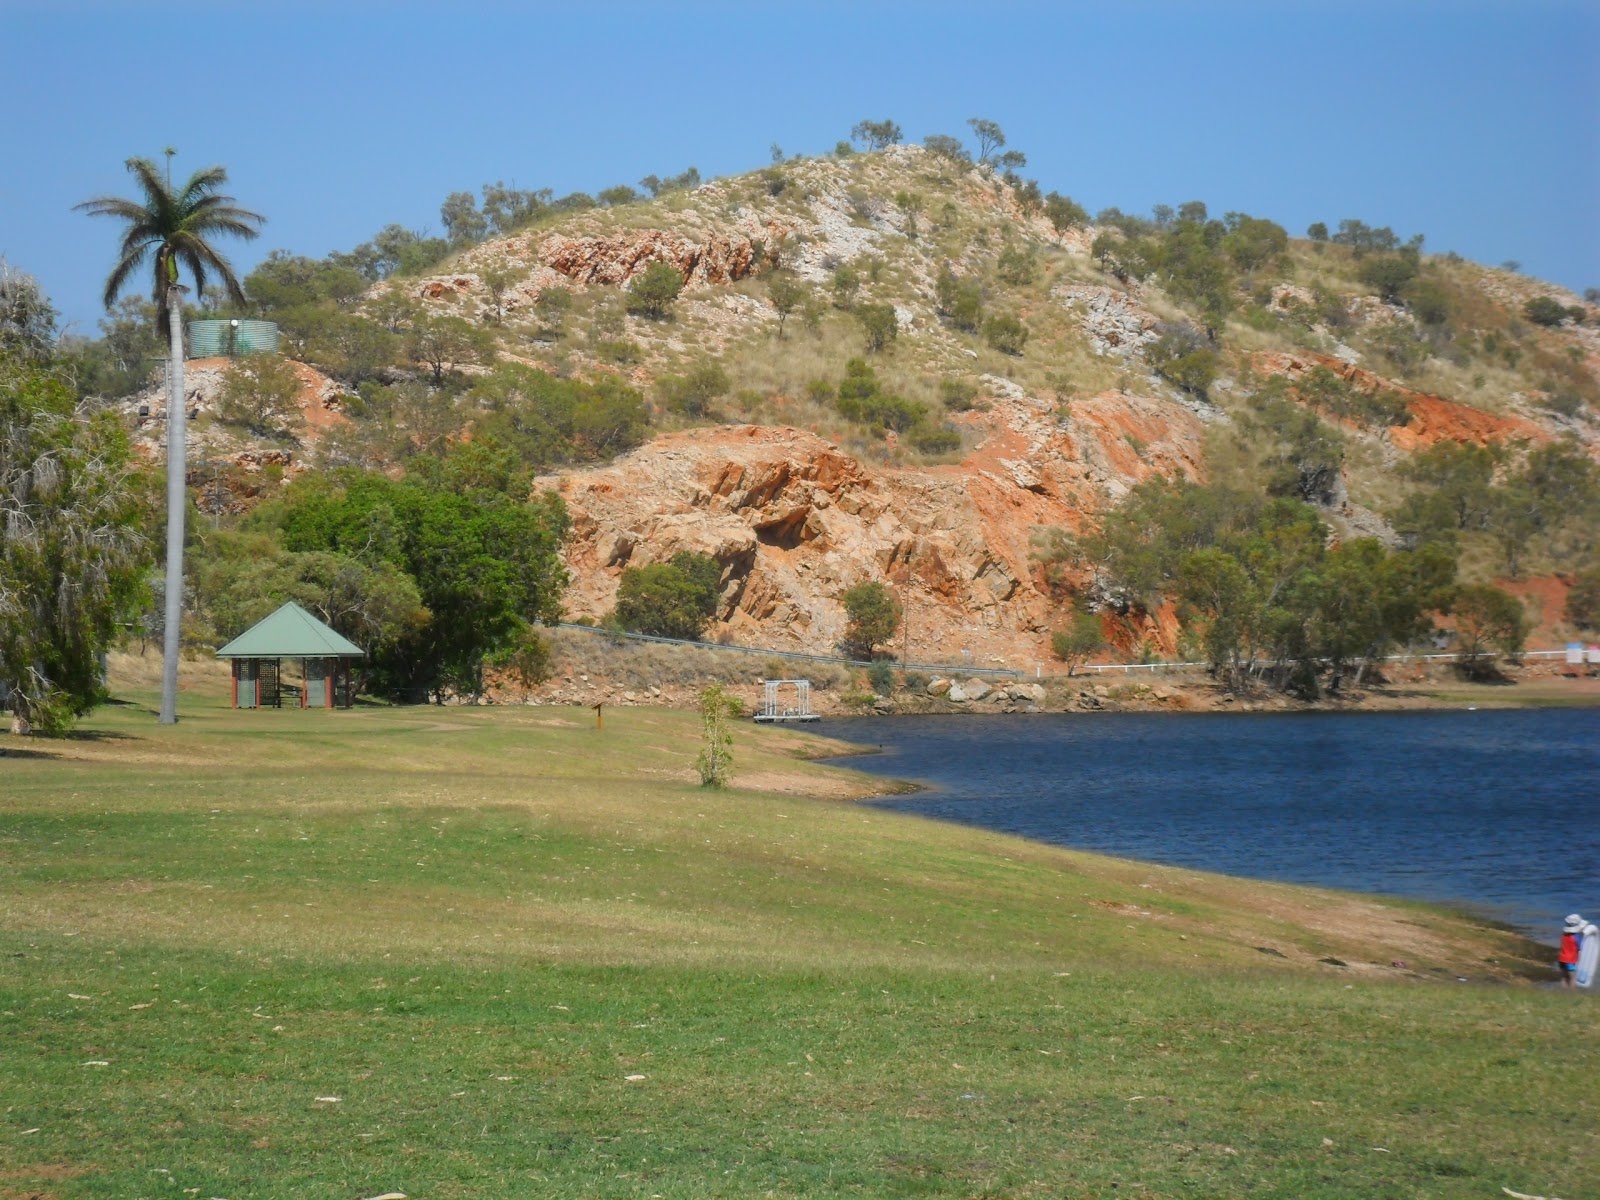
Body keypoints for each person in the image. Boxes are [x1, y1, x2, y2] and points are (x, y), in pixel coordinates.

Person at [1559, 914, 1584, 989]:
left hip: (1561, 959)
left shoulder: (1564, 936)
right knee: (1573, 978)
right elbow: (1580, 948)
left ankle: (1563, 993)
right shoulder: (1577, 937)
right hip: (1570, 961)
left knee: (1564, 977)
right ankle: (1573, 994)